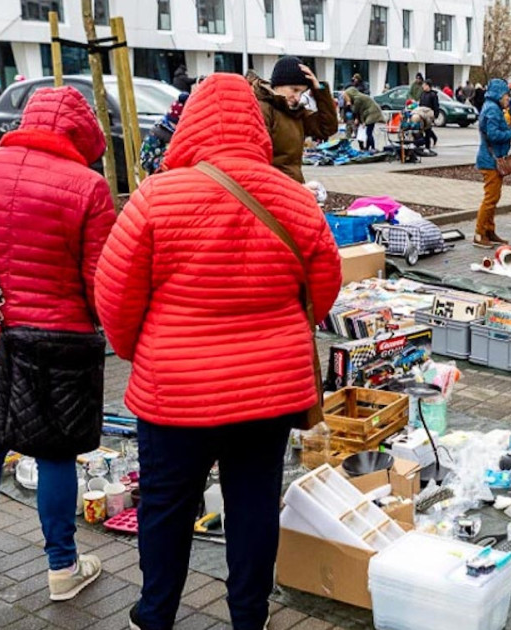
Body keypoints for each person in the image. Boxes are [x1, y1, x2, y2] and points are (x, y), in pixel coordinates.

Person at [95, 73, 343, 630]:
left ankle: (155, 614)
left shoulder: (158, 194)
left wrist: (146, 348)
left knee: (166, 505)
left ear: (190, 122)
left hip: (175, 393)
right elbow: (324, 286)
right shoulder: (294, 197)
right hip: (269, 391)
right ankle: (248, 617)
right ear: (256, 125)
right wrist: (278, 325)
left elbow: (113, 295)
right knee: (254, 503)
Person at [0, 85, 115, 603]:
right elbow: (101, 281)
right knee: (56, 454)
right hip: (58, 339)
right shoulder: (87, 187)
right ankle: (63, 570)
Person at [248, 57, 338, 183]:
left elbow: (327, 128)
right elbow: (256, 157)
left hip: (292, 186)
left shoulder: (296, 113)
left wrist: (319, 90)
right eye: (294, 90)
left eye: (302, 93)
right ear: (278, 85)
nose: (297, 97)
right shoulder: (262, 108)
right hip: (274, 188)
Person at [473, 79, 511, 248]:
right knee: (490, 198)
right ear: (498, 95)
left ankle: (489, 230)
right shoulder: (493, 110)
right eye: (506, 95)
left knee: (493, 197)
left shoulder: (491, 108)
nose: (508, 98)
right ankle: (480, 234)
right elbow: (494, 135)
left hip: (491, 159)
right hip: (490, 160)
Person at [140, 92, 188, 174]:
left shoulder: (187, 134)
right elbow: (145, 159)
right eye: (175, 124)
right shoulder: (157, 133)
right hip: (161, 176)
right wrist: (161, 163)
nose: (176, 127)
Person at [344, 86, 383, 151]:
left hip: (372, 113)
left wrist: (349, 104)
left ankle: (373, 148)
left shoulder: (357, 99)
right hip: (370, 113)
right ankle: (368, 148)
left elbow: (355, 110)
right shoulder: (358, 97)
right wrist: (362, 121)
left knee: (369, 132)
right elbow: (360, 111)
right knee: (368, 132)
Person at [418, 81, 442, 149]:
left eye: (424, 85)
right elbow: (420, 103)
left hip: (429, 114)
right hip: (422, 113)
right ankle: (434, 138)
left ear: (428, 86)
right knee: (424, 128)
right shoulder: (422, 94)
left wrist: (435, 115)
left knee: (427, 130)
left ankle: (427, 146)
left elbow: (436, 106)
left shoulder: (433, 95)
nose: (423, 86)